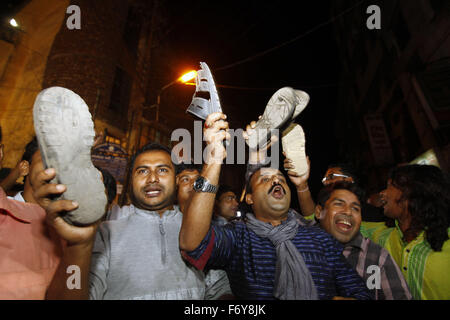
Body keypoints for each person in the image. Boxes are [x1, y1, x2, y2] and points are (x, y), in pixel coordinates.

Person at [179, 112, 372, 300]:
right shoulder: (239, 237)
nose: (276, 181)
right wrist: (213, 158)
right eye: (265, 179)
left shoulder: (320, 238)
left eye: (281, 178)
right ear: (250, 198)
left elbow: (360, 291)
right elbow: (192, 243)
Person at [37, 142, 207, 299]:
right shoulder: (105, 234)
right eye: (142, 171)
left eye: (162, 170)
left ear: (176, 180)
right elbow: (72, 289)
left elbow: (219, 287)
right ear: (131, 181)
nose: (152, 179)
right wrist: (78, 246)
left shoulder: (198, 227)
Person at [361, 164, 450, 300]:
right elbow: (335, 221)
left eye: (390, 186)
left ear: (410, 192)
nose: (382, 193)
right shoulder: (384, 236)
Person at [312, 181, 411, 300]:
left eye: (355, 208)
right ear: (318, 212)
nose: (348, 212)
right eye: (339, 204)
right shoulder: (295, 249)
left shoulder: (377, 257)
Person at [0, 145, 62, 299]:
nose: (55, 169)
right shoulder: (4, 213)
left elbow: (74, 284)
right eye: (47, 159)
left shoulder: (66, 230)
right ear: (26, 168)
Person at [175, 162, 234, 300]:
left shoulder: (218, 229)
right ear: (175, 187)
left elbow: (219, 287)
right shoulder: (162, 222)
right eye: (185, 179)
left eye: (198, 180)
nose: (193, 185)